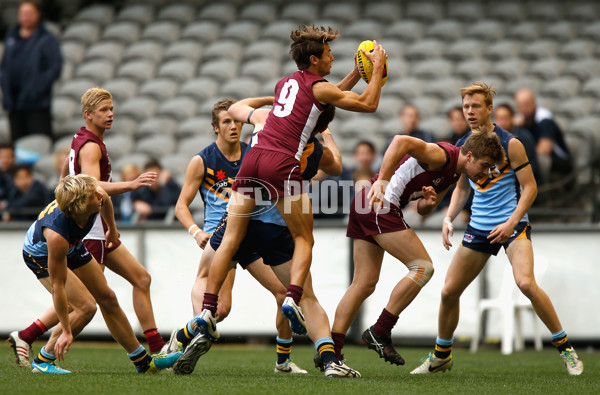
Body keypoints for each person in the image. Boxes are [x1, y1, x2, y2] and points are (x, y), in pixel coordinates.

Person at [198, 25, 387, 338]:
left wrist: (356, 73)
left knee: (231, 237)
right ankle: (293, 297)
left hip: (253, 157)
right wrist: (376, 70)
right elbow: (368, 104)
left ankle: (207, 309)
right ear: (314, 59)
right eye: (328, 54)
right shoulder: (320, 87)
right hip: (281, 163)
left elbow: (328, 96)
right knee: (303, 238)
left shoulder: (287, 82)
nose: (332, 58)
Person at [178, 97, 360, 378]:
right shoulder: (312, 147)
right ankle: (328, 361)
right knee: (303, 293)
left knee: (227, 280)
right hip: (273, 225)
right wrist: (327, 132)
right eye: (226, 122)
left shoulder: (266, 125)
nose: (233, 125)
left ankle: (199, 321)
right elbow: (335, 166)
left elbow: (241, 107)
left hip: (236, 220)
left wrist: (272, 101)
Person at [411, 82, 583, 376]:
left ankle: (566, 349)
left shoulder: (510, 143)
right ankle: (441, 356)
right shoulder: (464, 145)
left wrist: (512, 222)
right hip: (479, 227)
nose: (470, 112)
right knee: (449, 291)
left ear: (489, 108)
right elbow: (462, 186)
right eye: (466, 106)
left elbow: (530, 188)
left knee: (526, 283)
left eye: (475, 106)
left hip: (513, 224)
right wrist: (449, 217)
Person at [7, 88, 167, 368]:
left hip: (95, 224)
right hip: (87, 229)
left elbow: (69, 180)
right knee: (88, 303)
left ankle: (155, 348)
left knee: (139, 279)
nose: (111, 114)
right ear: (88, 114)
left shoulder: (80, 139)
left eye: (112, 109)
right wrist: (130, 185)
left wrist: (112, 228)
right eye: (105, 110)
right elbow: (93, 187)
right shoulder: (91, 146)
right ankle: (36, 344)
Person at [330, 126, 506, 366]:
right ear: (469, 156)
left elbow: (425, 209)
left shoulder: (455, 173)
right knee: (423, 267)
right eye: (485, 165)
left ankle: (331, 353)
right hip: (379, 203)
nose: (486, 172)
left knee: (363, 283)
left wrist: (427, 202)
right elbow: (400, 140)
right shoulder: (443, 156)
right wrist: (382, 179)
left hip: (365, 203)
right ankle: (380, 330)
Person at [173, 98, 306, 374]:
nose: (233, 126)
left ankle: (283, 361)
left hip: (252, 230)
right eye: (226, 122)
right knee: (219, 309)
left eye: (236, 121)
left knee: (282, 293)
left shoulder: (254, 153)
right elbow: (180, 206)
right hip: (222, 235)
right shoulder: (202, 161)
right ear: (215, 127)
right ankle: (191, 331)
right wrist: (196, 232)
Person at [19, 174, 180, 374]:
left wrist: (112, 229)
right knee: (86, 307)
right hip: (40, 255)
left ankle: (143, 363)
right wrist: (68, 331)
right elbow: (58, 287)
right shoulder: (56, 236)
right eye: (93, 195)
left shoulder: (94, 197)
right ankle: (43, 360)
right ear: (81, 205)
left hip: (73, 245)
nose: (100, 195)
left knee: (108, 297)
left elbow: (105, 201)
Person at [0, 0, 62, 143]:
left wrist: (36, 89)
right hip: (14, 105)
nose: (26, 17)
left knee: (37, 143)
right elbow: (4, 67)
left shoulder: (47, 39)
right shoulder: (12, 37)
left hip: (37, 106)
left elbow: (54, 69)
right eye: (23, 14)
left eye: (29, 14)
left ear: (38, 15)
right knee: (17, 147)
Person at [514, 88, 572, 184]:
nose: (523, 109)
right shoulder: (520, 121)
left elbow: (544, 150)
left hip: (558, 162)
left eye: (526, 105)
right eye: (520, 106)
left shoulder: (545, 119)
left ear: (534, 104)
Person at [494, 103, 542, 186]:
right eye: (499, 119)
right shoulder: (495, 138)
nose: (502, 123)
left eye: (505, 118)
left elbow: (531, 167)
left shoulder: (523, 137)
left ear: (512, 118)